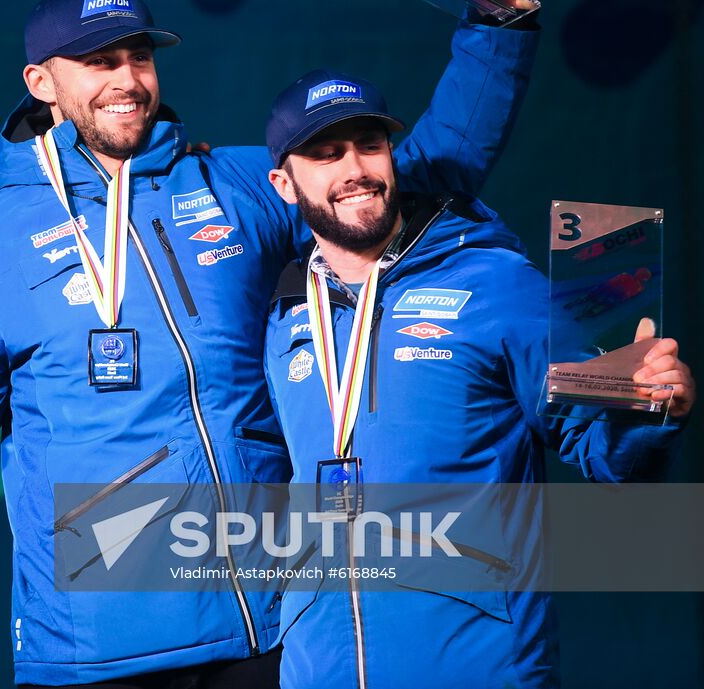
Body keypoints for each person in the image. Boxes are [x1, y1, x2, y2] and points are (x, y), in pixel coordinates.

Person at [0, 0, 543, 689]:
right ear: (41, 80)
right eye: (99, 61)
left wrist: (496, 28)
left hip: (257, 625)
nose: (127, 78)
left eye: (139, 55)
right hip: (92, 645)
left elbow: (415, 175)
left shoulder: (232, 187)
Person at [260, 70, 692, 689]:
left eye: (369, 145)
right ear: (284, 183)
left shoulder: (495, 283)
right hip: (320, 669)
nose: (353, 168)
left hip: (477, 665)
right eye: (326, 155)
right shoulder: (285, 317)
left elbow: (605, 451)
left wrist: (649, 409)